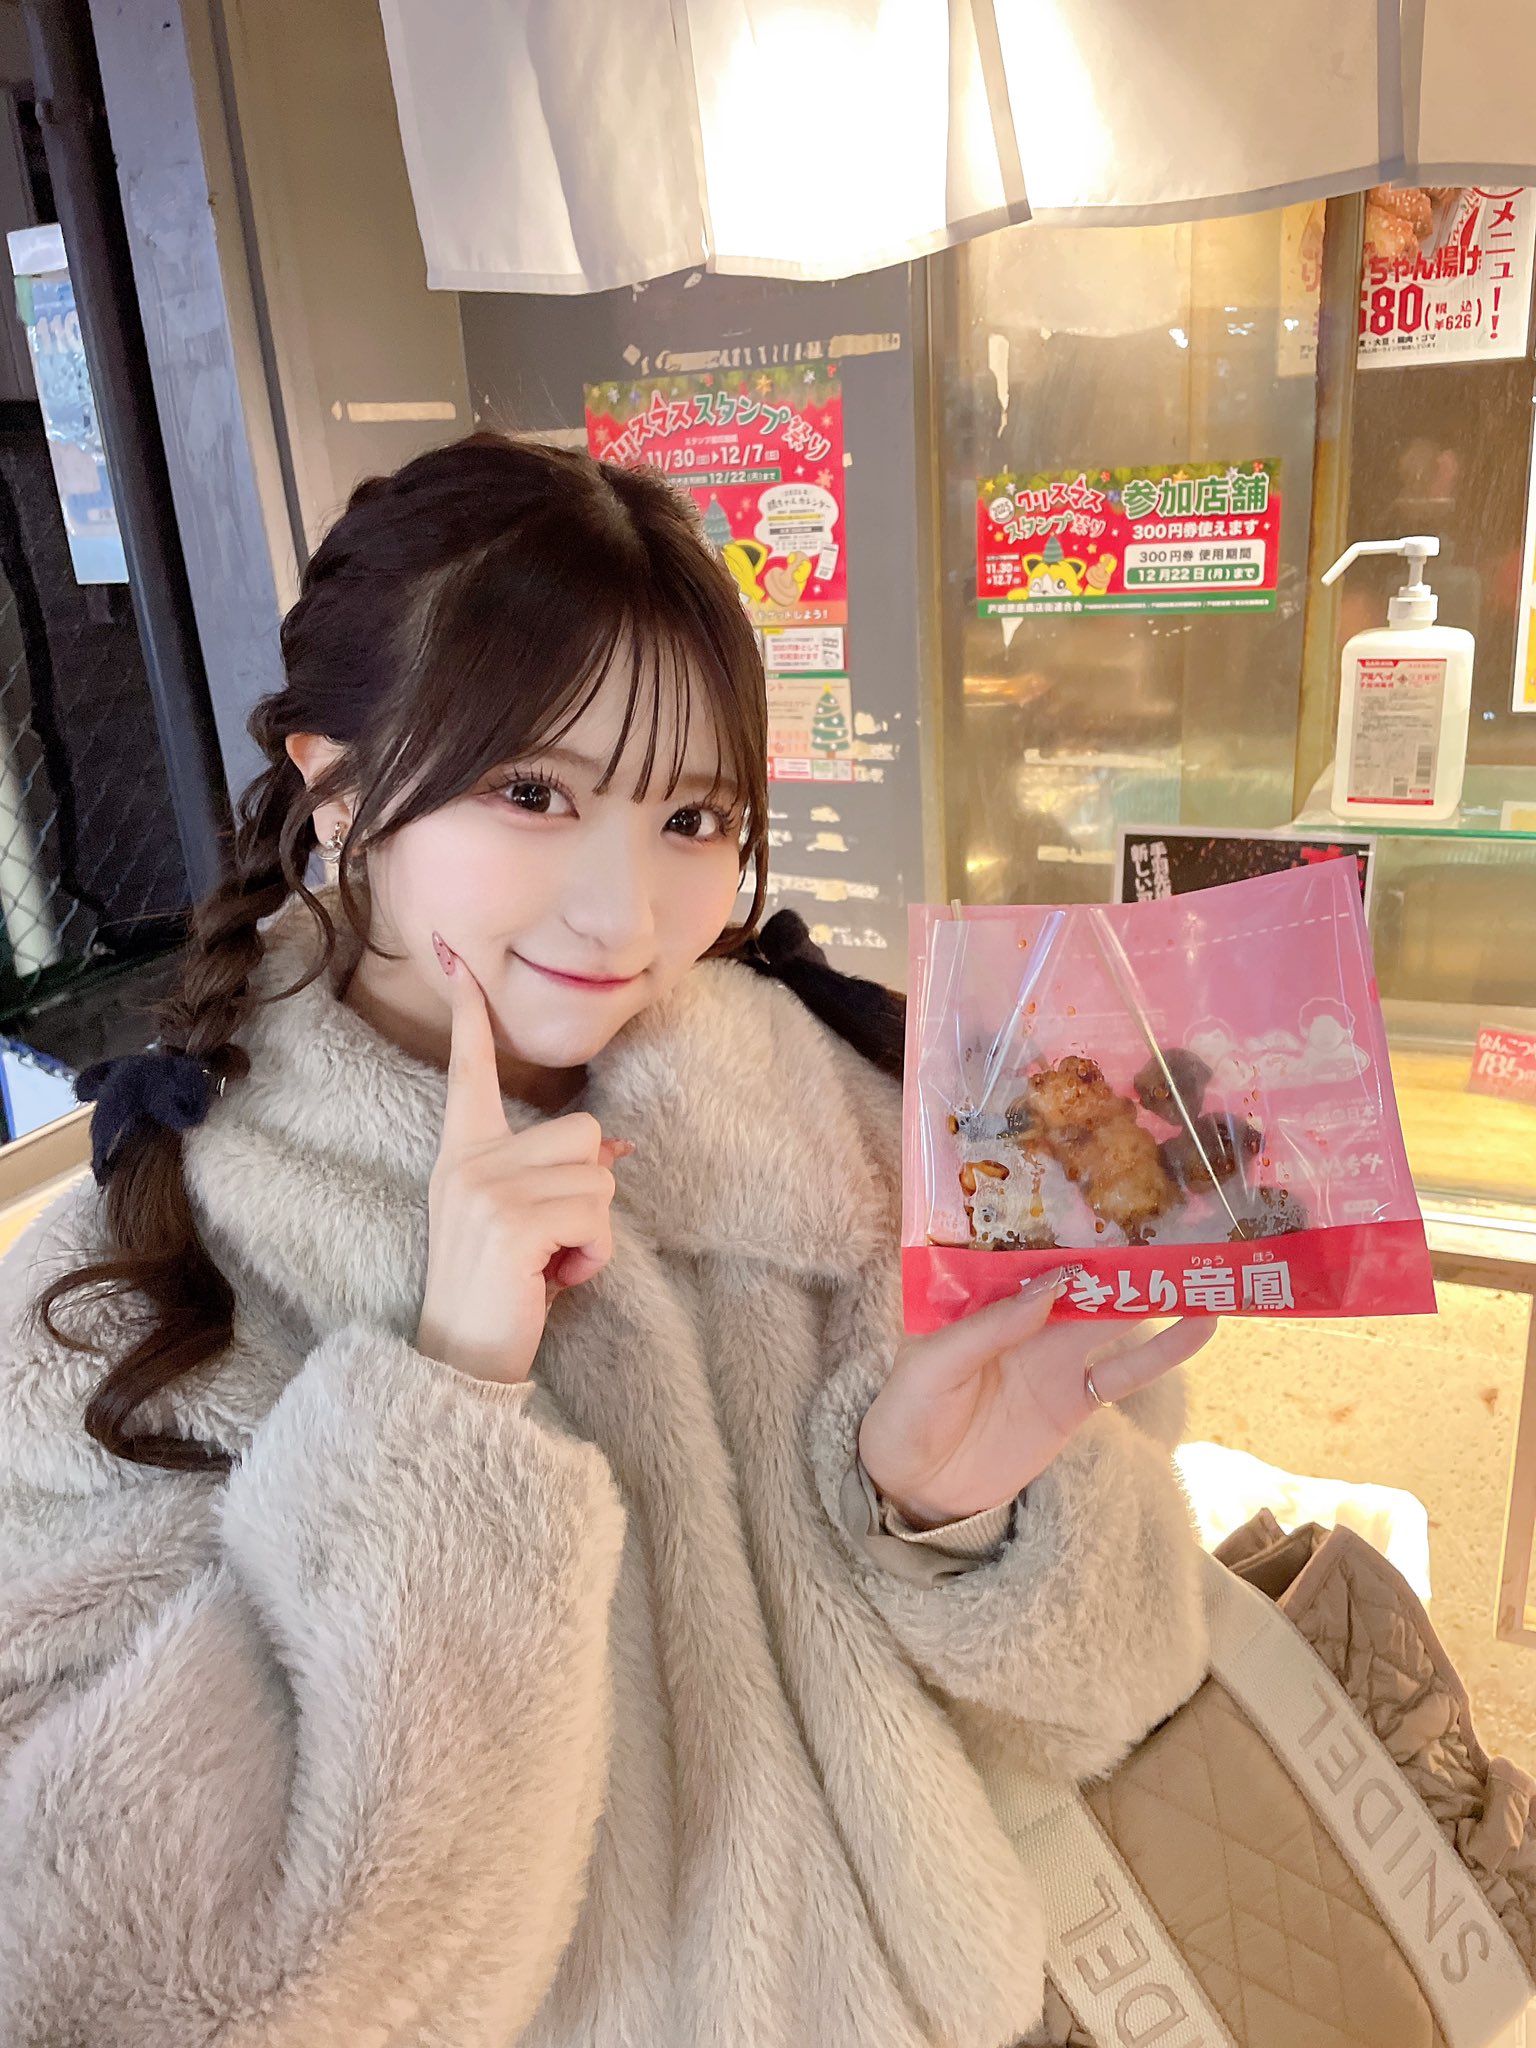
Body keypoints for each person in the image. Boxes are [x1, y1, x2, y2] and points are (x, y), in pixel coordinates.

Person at [0, 436, 1212, 2047]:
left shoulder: (852, 1128)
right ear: (337, 786)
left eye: (693, 816)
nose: (624, 916)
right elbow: (118, 1988)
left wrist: (945, 1519)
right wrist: (444, 1401)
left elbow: (1118, 1692)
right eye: (532, 793)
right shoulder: (132, 1285)